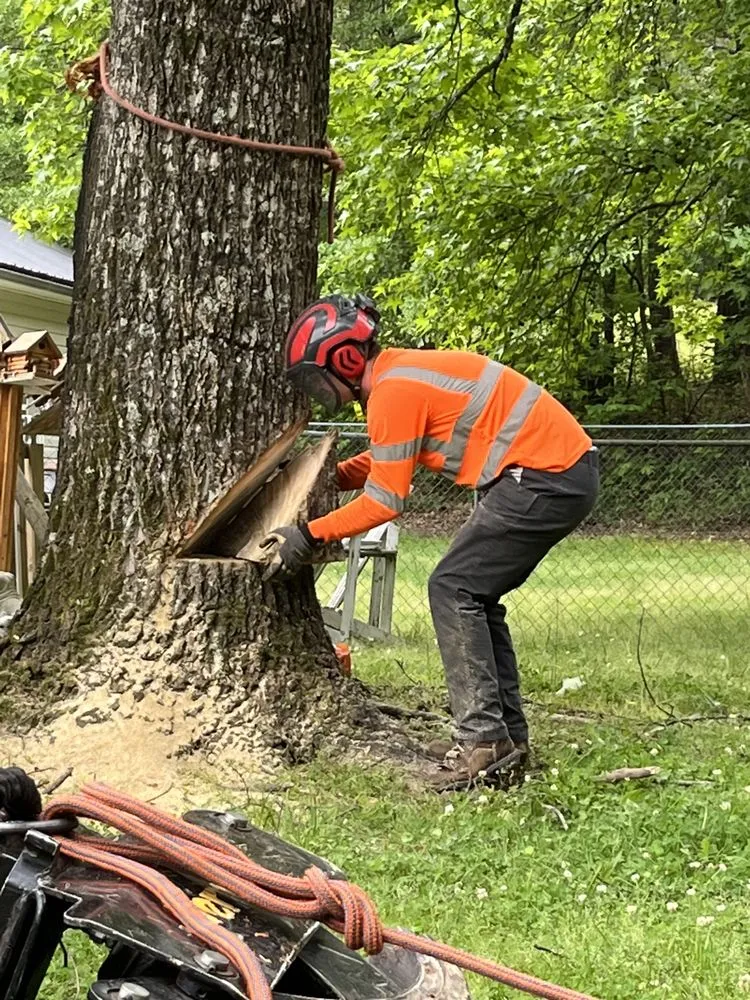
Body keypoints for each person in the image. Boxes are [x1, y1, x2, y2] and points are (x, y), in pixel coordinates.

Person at [261, 294, 599, 789]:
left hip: (543, 477)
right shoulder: (401, 377)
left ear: (348, 358)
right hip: (557, 473)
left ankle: (485, 743)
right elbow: (389, 457)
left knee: (454, 588)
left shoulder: (393, 393)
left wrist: (307, 535)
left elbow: (384, 502)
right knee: (475, 595)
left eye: (317, 378)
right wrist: (327, 478)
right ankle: (505, 740)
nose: (320, 391)